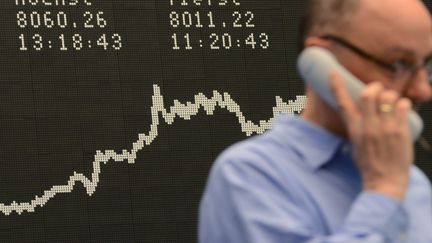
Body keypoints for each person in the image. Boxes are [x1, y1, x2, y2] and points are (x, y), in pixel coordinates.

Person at [199, 0, 432, 242]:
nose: (423, 90)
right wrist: (384, 191)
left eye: (426, 66)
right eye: (399, 64)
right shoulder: (247, 176)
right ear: (321, 61)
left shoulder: (414, 184)